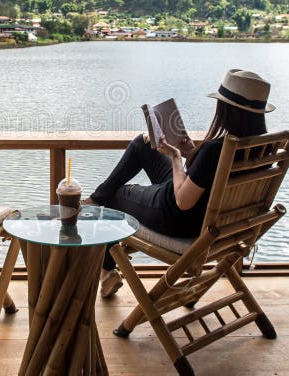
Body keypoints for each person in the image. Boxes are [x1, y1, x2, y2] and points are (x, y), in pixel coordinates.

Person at [87, 69, 276, 298]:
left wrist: (176, 156)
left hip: (177, 218)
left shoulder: (216, 149)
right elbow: (211, 177)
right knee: (142, 144)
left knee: (116, 195)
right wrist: (191, 152)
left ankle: (105, 266)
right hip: (213, 221)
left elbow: (183, 202)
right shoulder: (263, 148)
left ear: (227, 109)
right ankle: (97, 208)